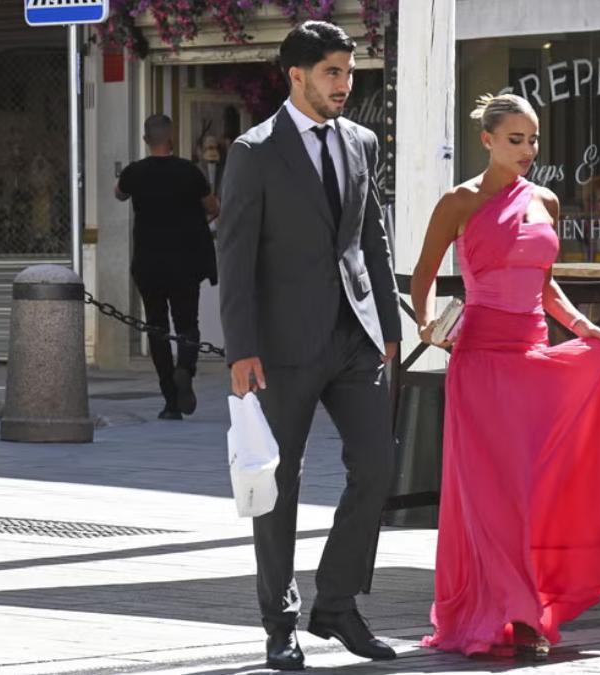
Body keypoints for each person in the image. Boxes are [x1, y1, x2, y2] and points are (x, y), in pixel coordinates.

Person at [411, 94, 600, 660]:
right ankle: (515, 614)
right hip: (480, 361)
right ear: (487, 140)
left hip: (533, 356)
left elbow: (544, 283)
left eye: (534, 139)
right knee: (494, 495)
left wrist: (583, 327)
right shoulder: (459, 201)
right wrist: (425, 323)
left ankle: (529, 604)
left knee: (535, 489)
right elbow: (424, 273)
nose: (528, 150)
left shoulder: (545, 200)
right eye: (515, 140)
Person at [216, 21, 400, 670]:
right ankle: (280, 622)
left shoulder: (361, 142)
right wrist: (241, 348)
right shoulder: (255, 151)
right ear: (296, 76)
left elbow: (372, 238)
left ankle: (338, 605)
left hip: (355, 337)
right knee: (279, 483)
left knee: (377, 467)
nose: (344, 84)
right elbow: (235, 256)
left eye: (349, 72)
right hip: (282, 345)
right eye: (332, 73)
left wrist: (390, 326)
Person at [115, 114, 219, 420]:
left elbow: (118, 193)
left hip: (148, 263)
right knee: (187, 323)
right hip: (185, 262)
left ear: (146, 140)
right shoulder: (190, 172)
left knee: (156, 327)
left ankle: (170, 402)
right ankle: (185, 368)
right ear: (171, 139)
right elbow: (213, 207)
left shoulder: (135, 172)